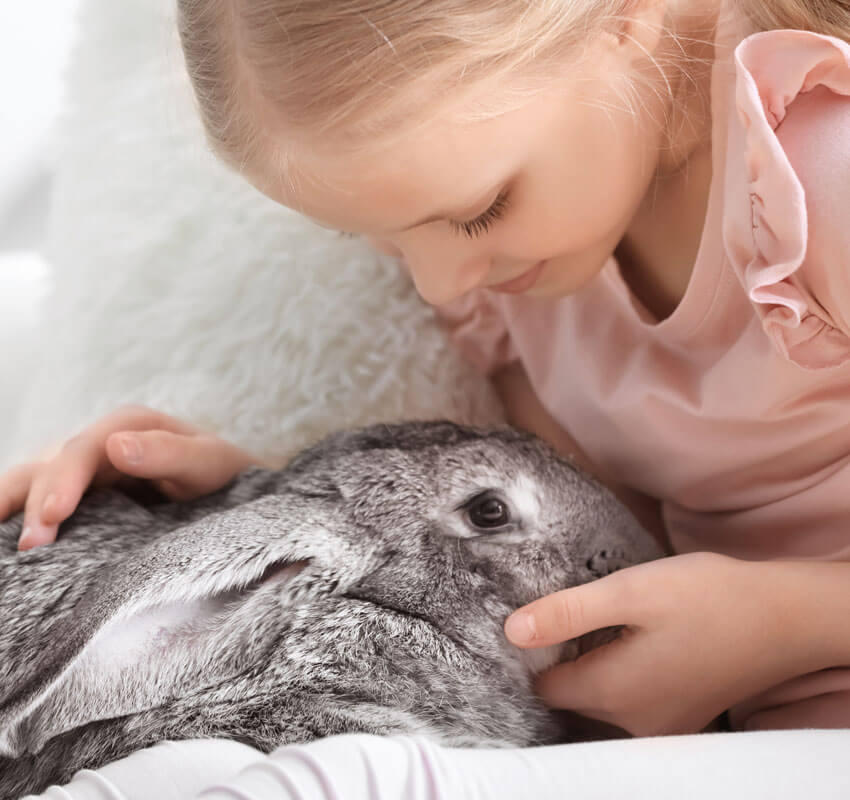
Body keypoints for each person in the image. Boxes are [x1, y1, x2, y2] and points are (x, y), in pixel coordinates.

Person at [4, 0, 850, 791]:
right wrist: (261, 497)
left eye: (479, 212)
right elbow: (592, 533)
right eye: (379, 239)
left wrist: (787, 622)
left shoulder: (821, 183)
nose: (441, 287)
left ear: (625, 18)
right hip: (743, 736)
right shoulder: (527, 270)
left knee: (357, 779)